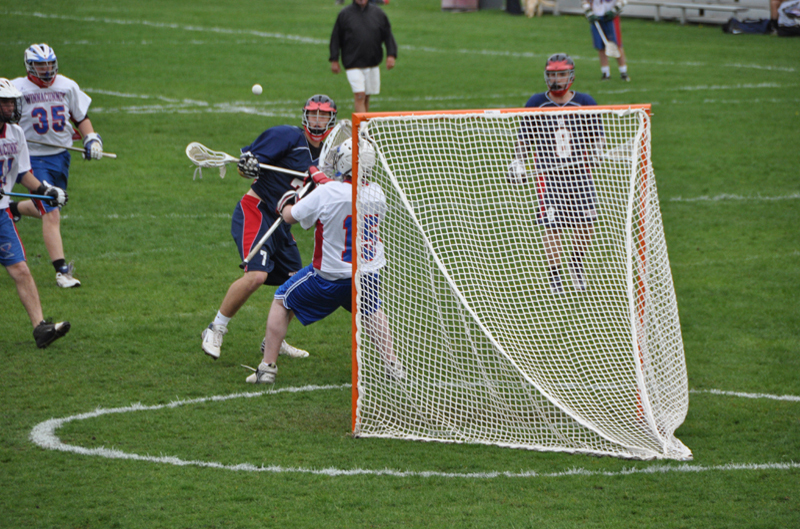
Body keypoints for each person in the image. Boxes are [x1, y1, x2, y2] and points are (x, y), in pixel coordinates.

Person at [246, 139, 402, 384]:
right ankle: (394, 366)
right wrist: (321, 183)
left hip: (329, 277)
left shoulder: (327, 192)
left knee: (282, 299)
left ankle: (267, 368)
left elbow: (289, 217)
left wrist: (295, 195)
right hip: (367, 274)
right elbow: (348, 195)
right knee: (372, 308)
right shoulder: (377, 193)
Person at [201, 95, 340, 361]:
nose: (318, 120)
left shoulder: (327, 158)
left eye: (323, 115)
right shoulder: (287, 136)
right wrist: (248, 167)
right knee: (256, 276)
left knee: (295, 286)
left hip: (282, 222)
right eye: (313, 114)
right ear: (305, 117)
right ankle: (215, 327)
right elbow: (246, 167)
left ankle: (272, 340)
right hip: (257, 210)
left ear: (331, 119)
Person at [10, 44, 106, 288]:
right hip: (32, 157)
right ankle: (62, 271)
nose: (46, 69)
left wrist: (91, 137)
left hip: (61, 156)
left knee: (49, 205)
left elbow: (80, 117)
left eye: (49, 63)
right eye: (41, 64)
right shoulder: (18, 88)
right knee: (51, 210)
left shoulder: (66, 85)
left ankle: (14, 209)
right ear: (30, 66)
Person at [511, 53, 603, 294]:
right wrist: (518, 161)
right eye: (552, 75)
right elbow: (524, 138)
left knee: (585, 223)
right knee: (552, 225)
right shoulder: (536, 102)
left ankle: (576, 265)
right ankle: (555, 275)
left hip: (580, 173)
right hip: (548, 175)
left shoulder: (585, 101)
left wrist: (596, 152)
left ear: (570, 75)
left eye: (561, 74)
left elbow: (598, 136)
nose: (556, 80)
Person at [0, 78, 71, 348]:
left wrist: (46, 190)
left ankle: (40, 328)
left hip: (1, 215)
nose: (11, 107)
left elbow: (21, 173)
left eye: (11, 102)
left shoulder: (15, 133)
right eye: (5, 102)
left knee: (21, 269)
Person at [330, 0, 398, 113]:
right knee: (360, 95)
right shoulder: (345, 14)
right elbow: (336, 37)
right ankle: (362, 127)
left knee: (366, 96)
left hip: (372, 62)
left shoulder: (378, 13)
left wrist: (391, 54)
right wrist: (334, 59)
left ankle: (364, 125)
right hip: (352, 62)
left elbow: (388, 35)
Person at [582, 0, 630, 81]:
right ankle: (605, 73)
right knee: (600, 46)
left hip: (611, 17)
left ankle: (623, 71)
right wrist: (588, 11)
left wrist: (615, 9)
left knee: (616, 45)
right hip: (596, 15)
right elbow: (585, 1)